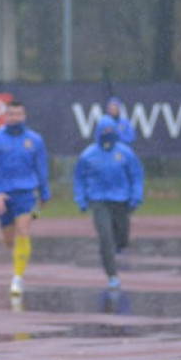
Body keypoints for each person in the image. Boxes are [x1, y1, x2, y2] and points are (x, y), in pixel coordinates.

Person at [0, 99, 51, 297]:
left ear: (24, 116)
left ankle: (17, 278)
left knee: (23, 231)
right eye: (11, 114)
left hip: (26, 194)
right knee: (9, 239)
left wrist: (44, 191)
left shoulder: (34, 140)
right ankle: (18, 257)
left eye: (18, 114)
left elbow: (41, 167)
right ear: (5, 116)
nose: (15, 118)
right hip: (2, 196)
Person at [74, 116, 144, 289]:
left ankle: (116, 248)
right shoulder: (88, 155)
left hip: (121, 200)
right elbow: (79, 179)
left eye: (111, 131)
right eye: (104, 131)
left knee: (122, 236)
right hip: (99, 201)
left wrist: (136, 196)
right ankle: (112, 273)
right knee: (105, 236)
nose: (108, 134)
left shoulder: (125, 153)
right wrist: (81, 199)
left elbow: (136, 176)